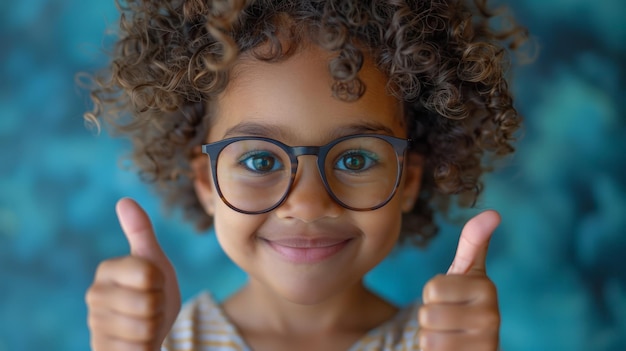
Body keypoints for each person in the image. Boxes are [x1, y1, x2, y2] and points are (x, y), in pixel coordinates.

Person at [84, 0, 526, 350]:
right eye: (261, 161)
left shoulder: (444, 344)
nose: (309, 203)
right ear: (207, 183)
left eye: (355, 160)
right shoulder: (162, 343)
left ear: (407, 181)